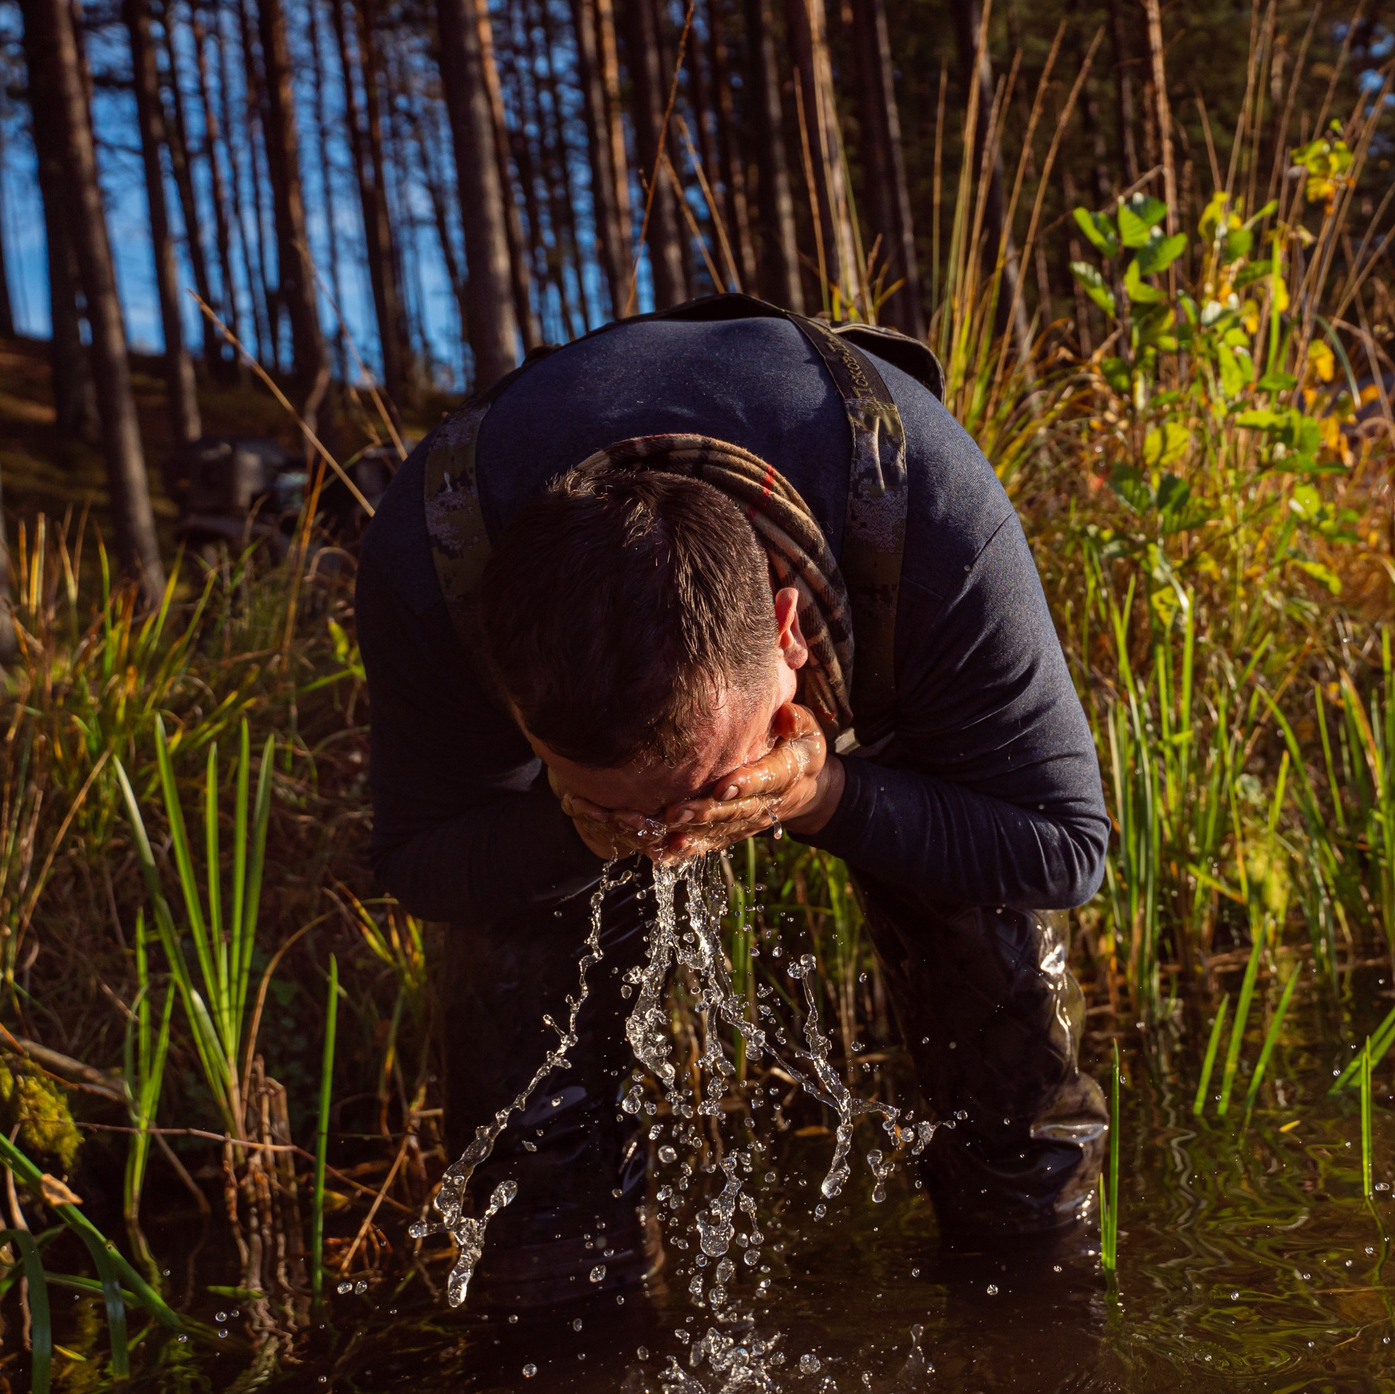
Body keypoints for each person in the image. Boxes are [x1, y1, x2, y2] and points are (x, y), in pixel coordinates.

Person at [354, 295, 1110, 1313]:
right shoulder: (429, 556)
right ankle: (560, 1332)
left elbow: (1064, 850)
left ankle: (1036, 1293)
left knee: (978, 922)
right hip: (527, 587)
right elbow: (420, 862)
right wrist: (561, 830)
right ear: (509, 699)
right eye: (631, 812)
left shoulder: (927, 507)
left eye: (706, 789)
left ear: (790, 632)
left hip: (855, 544)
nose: (675, 843)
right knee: (524, 942)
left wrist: (825, 791)